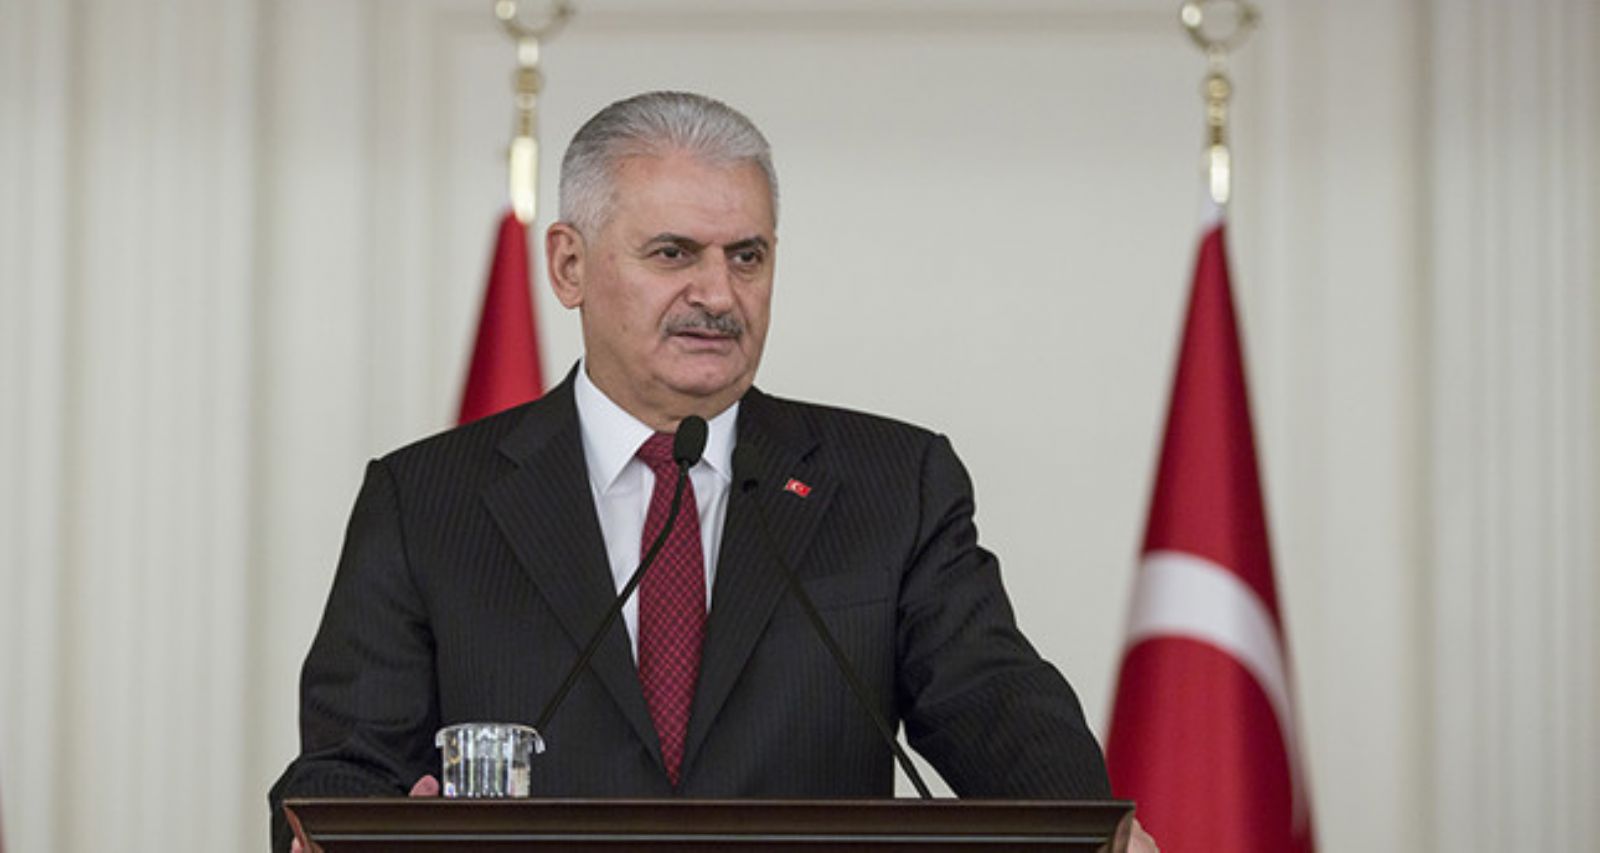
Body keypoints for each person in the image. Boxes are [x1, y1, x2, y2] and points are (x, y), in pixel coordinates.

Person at [270, 91, 1155, 852]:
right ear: (570, 265)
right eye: (674, 253)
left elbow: (994, 705)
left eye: (747, 256)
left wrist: (1092, 829)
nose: (719, 294)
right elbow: (344, 769)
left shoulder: (893, 484)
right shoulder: (428, 501)